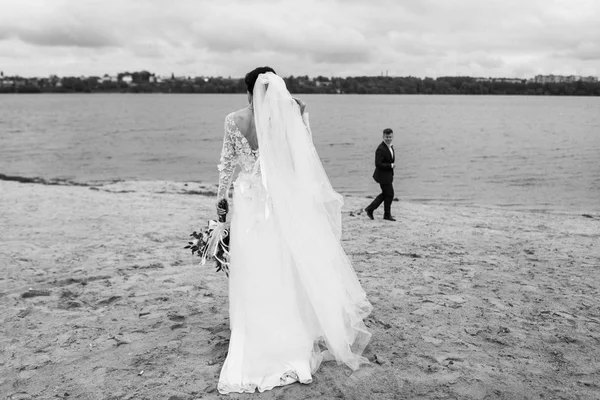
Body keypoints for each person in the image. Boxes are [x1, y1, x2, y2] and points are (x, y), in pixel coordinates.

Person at [214, 67, 372, 394]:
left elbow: (226, 167)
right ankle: (288, 337)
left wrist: (220, 206)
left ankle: (252, 335)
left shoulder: (234, 120)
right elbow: (305, 160)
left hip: (248, 204)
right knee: (281, 268)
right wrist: (300, 114)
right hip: (280, 206)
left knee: (252, 269)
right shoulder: (289, 118)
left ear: (247, 92)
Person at [365, 128, 396, 221]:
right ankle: (384, 214)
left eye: (390, 137)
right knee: (389, 194)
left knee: (386, 194)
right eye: (386, 137)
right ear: (383, 137)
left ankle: (371, 209)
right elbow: (378, 164)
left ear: (392, 136)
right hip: (383, 176)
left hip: (387, 175)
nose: (388, 139)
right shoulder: (381, 149)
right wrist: (390, 165)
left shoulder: (390, 146)